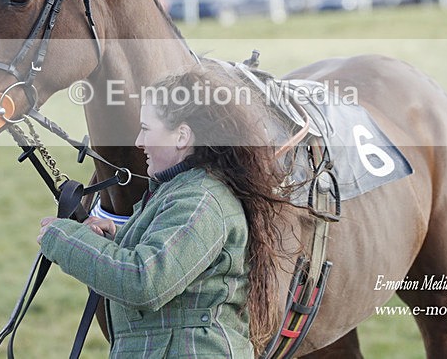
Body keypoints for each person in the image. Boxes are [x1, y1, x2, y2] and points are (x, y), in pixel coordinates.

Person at [37, 64, 290, 358]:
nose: (139, 142)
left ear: (182, 136)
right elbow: (174, 256)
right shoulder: (181, 191)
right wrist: (119, 238)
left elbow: (144, 281)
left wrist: (63, 240)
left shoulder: (200, 201)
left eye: (146, 129)